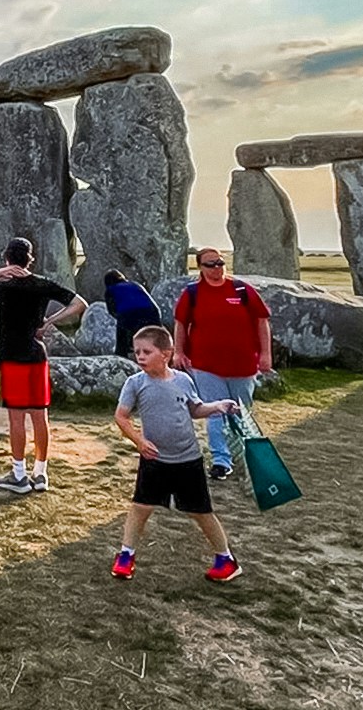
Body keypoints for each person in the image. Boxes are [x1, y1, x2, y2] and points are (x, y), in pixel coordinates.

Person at [111, 325, 243, 582]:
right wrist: (139, 441)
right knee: (140, 507)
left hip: (188, 460)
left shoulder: (183, 380)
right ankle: (126, 556)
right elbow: (121, 416)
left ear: (166, 353)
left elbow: (195, 409)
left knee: (201, 512)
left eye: (146, 351)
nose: (140, 356)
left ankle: (226, 560)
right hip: (155, 460)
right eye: (136, 351)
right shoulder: (135, 383)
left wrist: (218, 406)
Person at [0, 237, 87, 494]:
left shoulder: (6, 286)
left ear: (7, 258)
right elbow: (80, 303)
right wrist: (50, 321)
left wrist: (2, 272)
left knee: (17, 419)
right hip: (37, 355)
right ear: (30, 259)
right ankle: (40, 472)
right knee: (40, 417)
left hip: (13, 356)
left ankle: (18, 474)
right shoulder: (42, 285)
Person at [172, 247, 273, 480]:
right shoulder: (193, 293)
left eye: (220, 262)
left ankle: (247, 456)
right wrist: (178, 352)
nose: (217, 268)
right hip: (206, 365)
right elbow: (180, 323)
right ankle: (221, 460)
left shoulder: (242, 290)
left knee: (241, 412)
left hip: (243, 364)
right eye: (211, 264)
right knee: (216, 411)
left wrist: (266, 354)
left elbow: (261, 321)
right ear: (201, 267)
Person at [103, 270, 163, 359]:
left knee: (122, 336)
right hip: (152, 311)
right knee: (156, 338)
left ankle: (121, 357)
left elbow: (112, 310)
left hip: (128, 313)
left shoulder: (111, 290)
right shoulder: (135, 285)